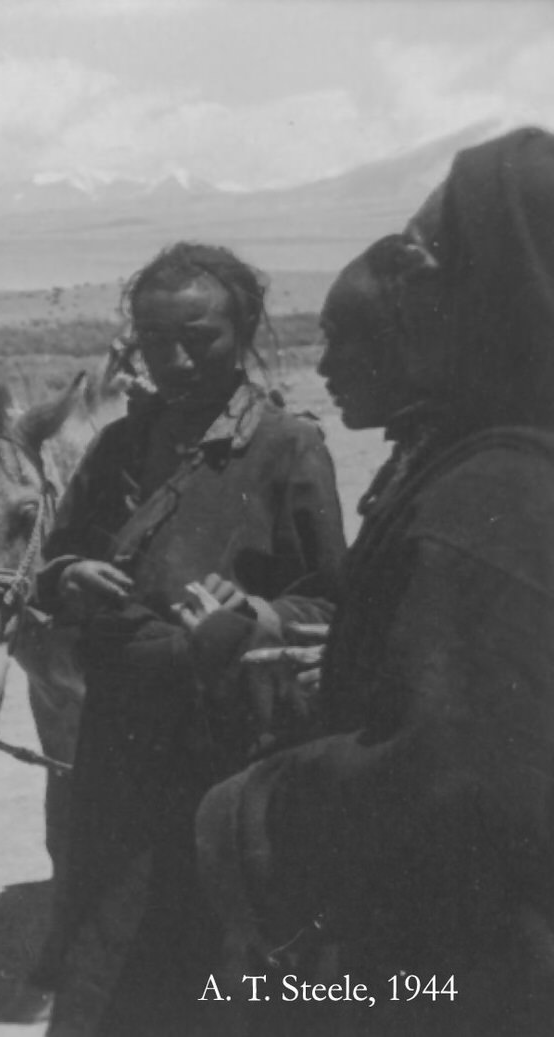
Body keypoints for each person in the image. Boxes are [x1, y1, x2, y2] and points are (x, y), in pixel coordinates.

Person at [198, 127, 554, 1036]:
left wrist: (254, 802)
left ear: (503, 280)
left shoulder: (496, 492)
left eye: (425, 256)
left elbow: (456, 777)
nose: (406, 282)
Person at [33, 243, 347, 1035]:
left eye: (198, 337)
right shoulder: (118, 448)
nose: (173, 358)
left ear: (241, 331)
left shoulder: (286, 447)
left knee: (215, 975)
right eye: (151, 337)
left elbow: (332, 607)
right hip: (116, 750)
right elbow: (54, 559)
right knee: (105, 971)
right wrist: (68, 574)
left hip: (228, 756)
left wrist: (253, 616)